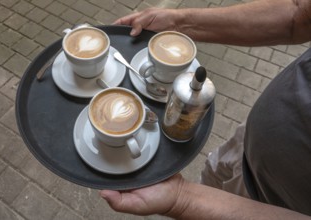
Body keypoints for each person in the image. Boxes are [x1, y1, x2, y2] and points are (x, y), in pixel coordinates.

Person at [100, 0, 311, 219]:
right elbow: (298, 16)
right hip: (244, 145)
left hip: (273, 201)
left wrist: (183, 200)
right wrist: (177, 22)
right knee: (211, 175)